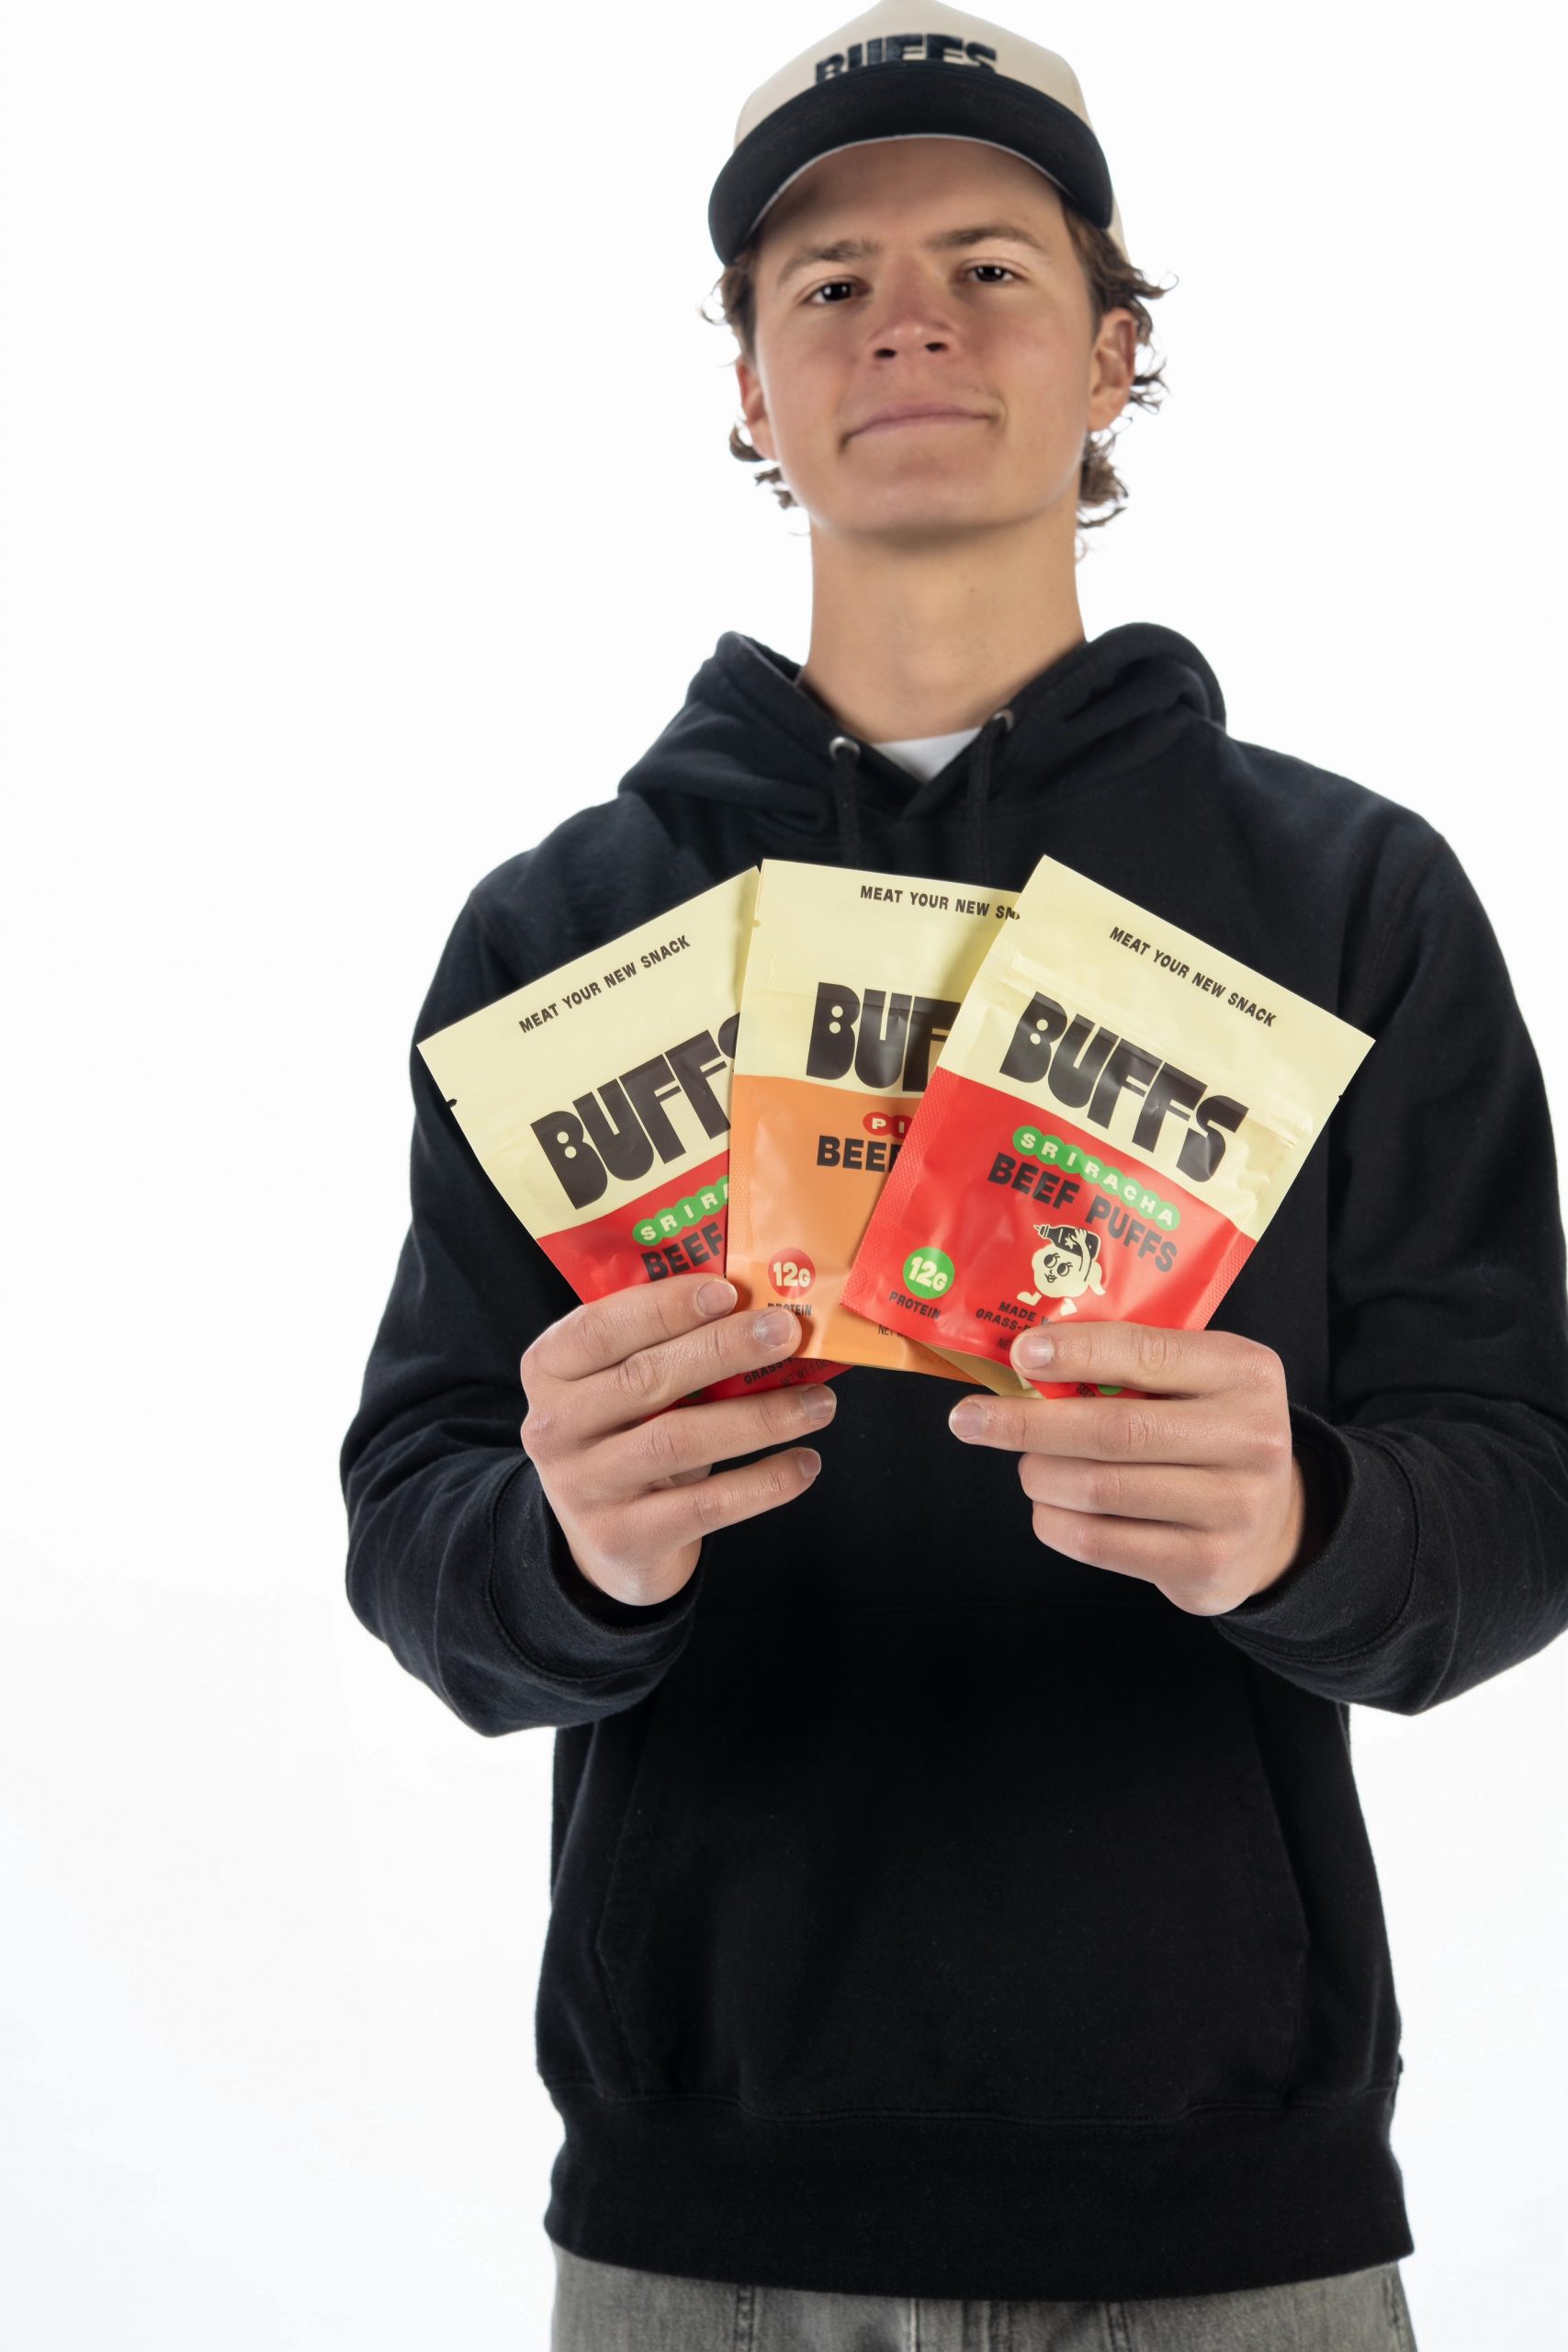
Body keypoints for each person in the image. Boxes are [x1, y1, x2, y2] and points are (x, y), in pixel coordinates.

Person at [339, 6, 1568, 2346]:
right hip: (693, 2202)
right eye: (825, 281)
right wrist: (568, 1539)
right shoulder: (558, 930)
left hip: (1230, 2213)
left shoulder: (1353, 898)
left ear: (1114, 359)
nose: (905, 311)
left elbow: (1516, 1493)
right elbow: (416, 1530)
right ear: (745, 388)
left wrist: (1305, 1521)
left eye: (991, 265)